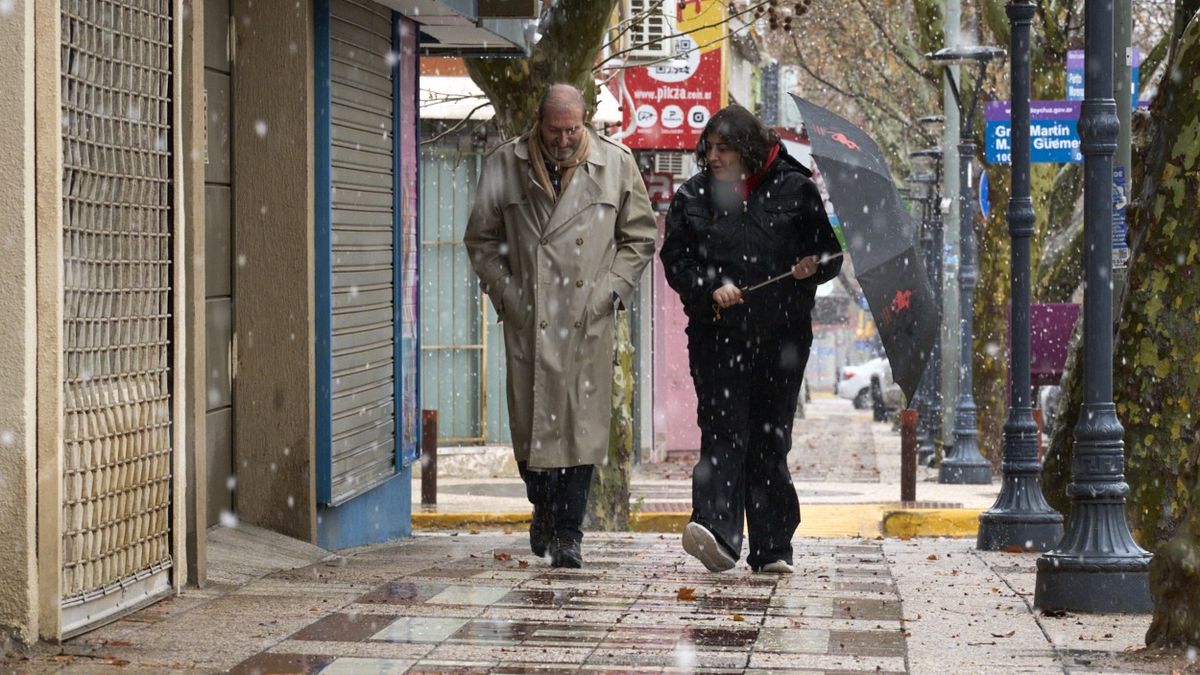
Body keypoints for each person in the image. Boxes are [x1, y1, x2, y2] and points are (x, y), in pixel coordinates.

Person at [464, 84, 656, 568]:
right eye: (555, 130)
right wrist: (508, 294)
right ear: (538, 121)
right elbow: (481, 240)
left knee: (581, 429)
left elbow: (639, 237)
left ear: (584, 120)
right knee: (531, 429)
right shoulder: (506, 164)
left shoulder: (616, 164)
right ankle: (543, 509)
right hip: (531, 317)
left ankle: (569, 533)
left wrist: (610, 291)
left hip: (587, 318)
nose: (564, 139)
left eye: (573, 129)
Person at [659, 105, 843, 573]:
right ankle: (717, 533)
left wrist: (812, 266)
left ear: (748, 149)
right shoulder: (693, 196)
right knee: (722, 431)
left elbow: (830, 254)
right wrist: (709, 288)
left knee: (769, 438)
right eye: (709, 148)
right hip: (717, 336)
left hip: (782, 338)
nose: (713, 157)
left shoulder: (797, 189)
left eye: (724, 148)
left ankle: (773, 546)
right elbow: (676, 261)